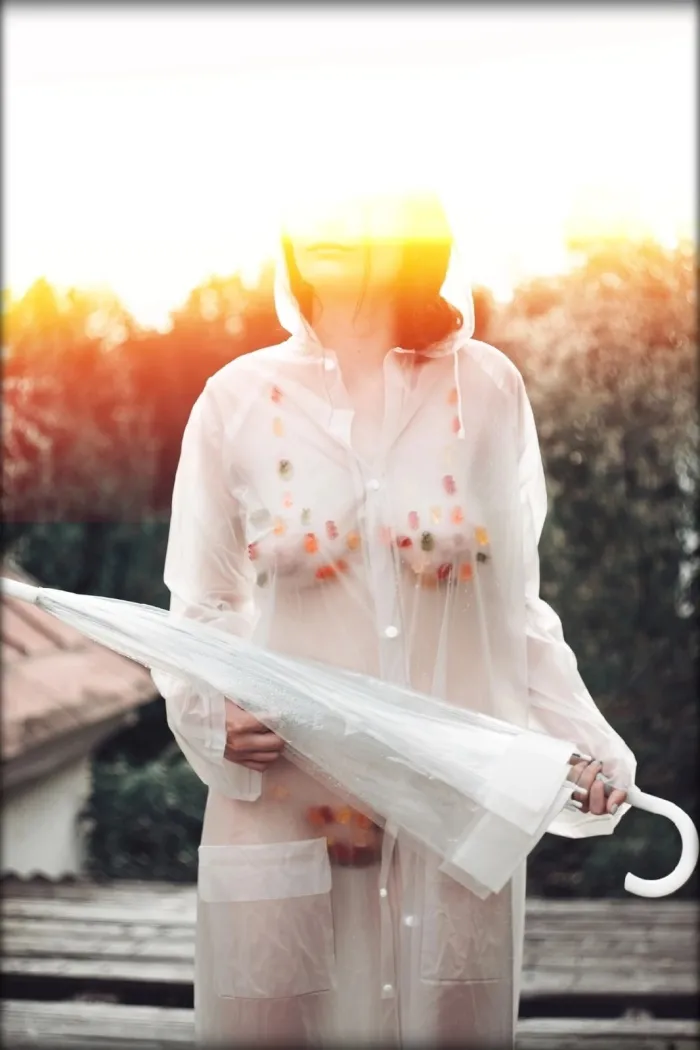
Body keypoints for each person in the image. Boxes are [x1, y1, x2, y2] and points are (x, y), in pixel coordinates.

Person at [153, 181, 635, 1048]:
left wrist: (582, 741)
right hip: (288, 803)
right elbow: (203, 602)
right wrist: (207, 708)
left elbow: (513, 605)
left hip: (450, 806)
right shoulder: (234, 400)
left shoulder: (485, 389)